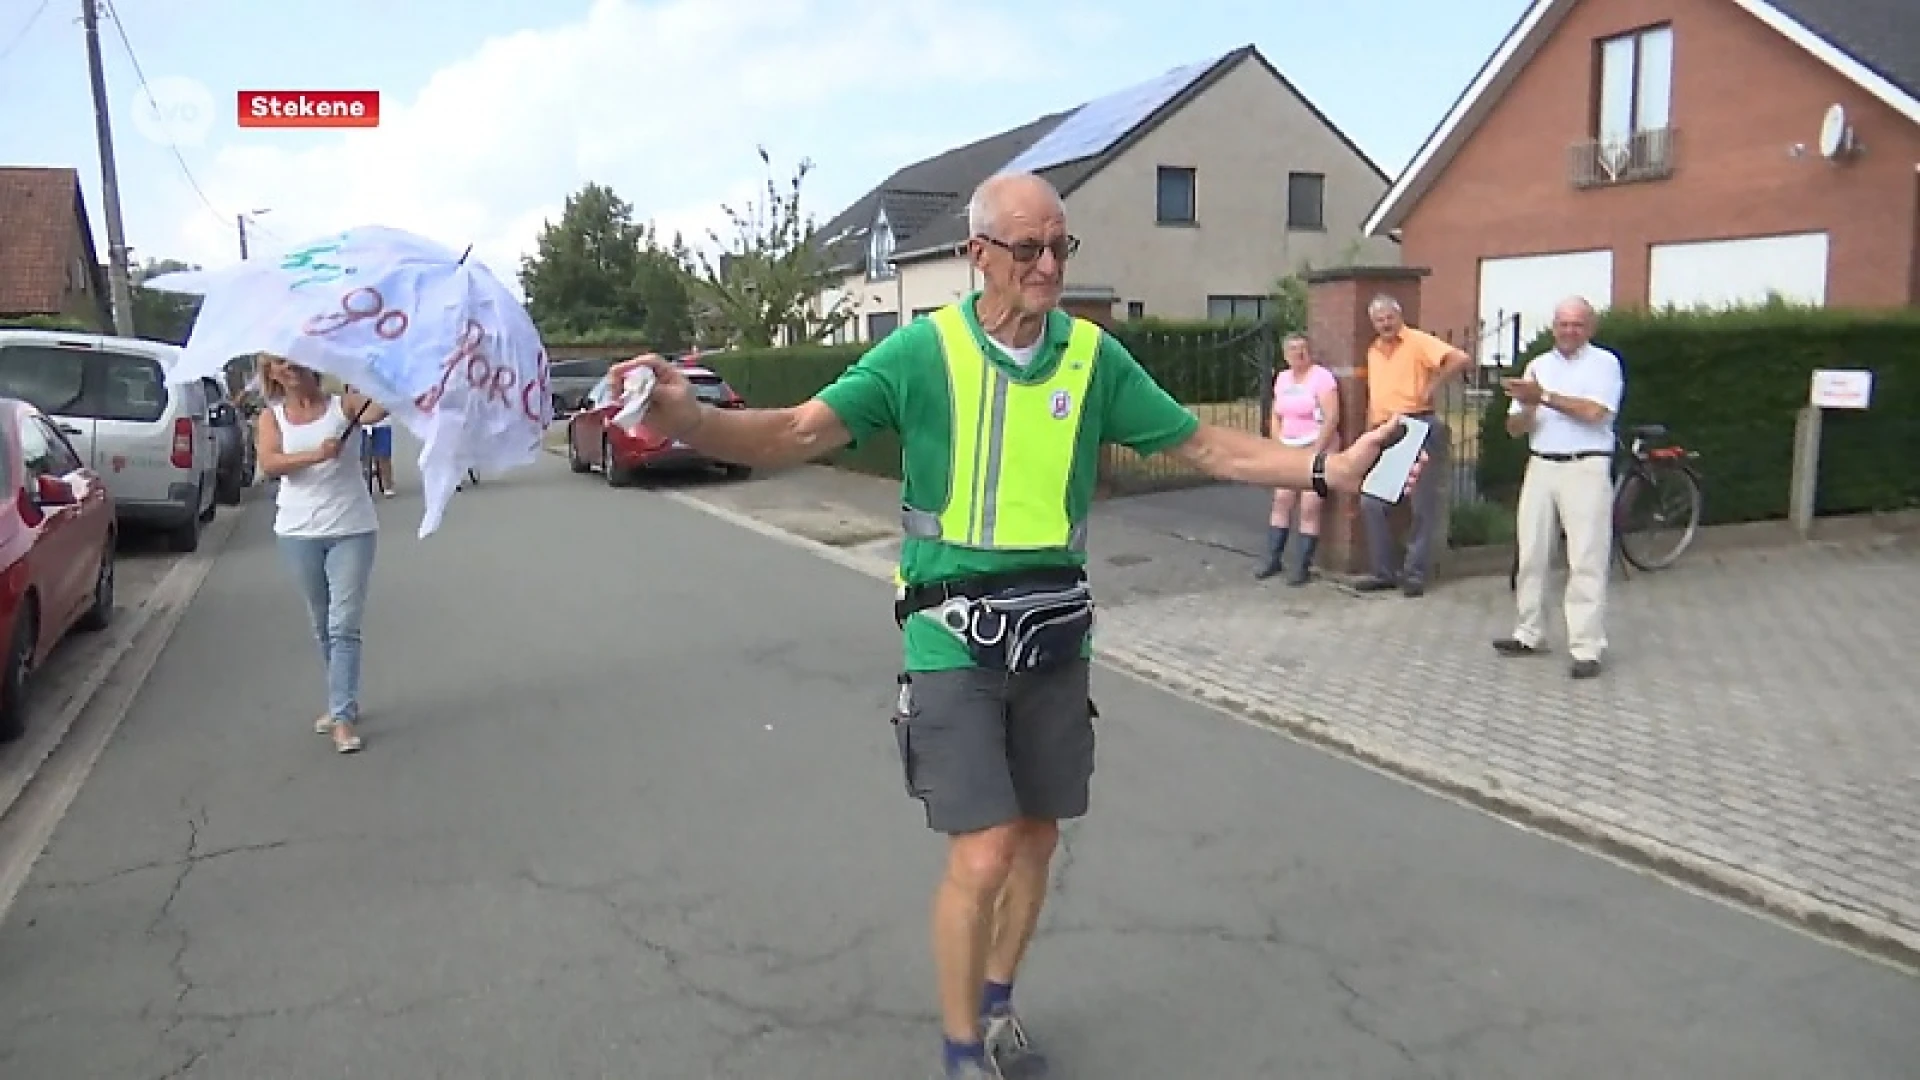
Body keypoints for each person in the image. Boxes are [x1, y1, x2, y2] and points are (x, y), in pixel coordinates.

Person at [610, 172, 1420, 1080]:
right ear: (977, 254)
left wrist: (1322, 472)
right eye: (1027, 248)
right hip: (948, 631)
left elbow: (1202, 444)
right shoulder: (922, 353)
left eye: (1059, 247)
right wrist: (689, 420)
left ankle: (996, 1005)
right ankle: (961, 1054)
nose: (1046, 265)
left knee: (1037, 836)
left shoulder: (1091, 356)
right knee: (987, 845)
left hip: (1057, 630)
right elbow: (795, 433)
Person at [254, 355, 385, 753]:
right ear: (272, 372)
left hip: (352, 529)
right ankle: (339, 697)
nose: (289, 367)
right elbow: (270, 462)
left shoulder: (344, 406)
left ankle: (342, 717)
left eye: (294, 358)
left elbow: (376, 409)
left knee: (344, 624)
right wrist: (317, 455)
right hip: (297, 532)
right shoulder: (271, 417)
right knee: (322, 622)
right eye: (279, 363)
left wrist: (375, 375)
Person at [1494, 296, 1623, 680]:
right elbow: (1514, 427)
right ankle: (1529, 632)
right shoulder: (1539, 366)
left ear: (1590, 328)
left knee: (1585, 558)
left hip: (1585, 464)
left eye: (1577, 324)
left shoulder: (1604, 363)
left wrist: (1544, 397)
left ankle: (1586, 647)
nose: (1569, 331)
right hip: (1542, 463)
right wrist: (1526, 409)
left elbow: (1596, 412)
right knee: (1531, 553)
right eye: (1563, 324)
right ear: (1553, 326)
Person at [1355, 295, 1473, 597]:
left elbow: (1459, 358)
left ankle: (1415, 574)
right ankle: (1384, 571)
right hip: (1386, 429)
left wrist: (1433, 385)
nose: (1385, 324)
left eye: (1389, 318)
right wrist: (1372, 428)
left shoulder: (1418, 341)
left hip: (1417, 424)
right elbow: (1377, 393)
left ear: (1399, 315)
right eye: (1379, 320)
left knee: (1421, 504)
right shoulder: (1373, 350)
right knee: (1372, 502)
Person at [1255, 332, 1340, 585]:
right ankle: (1273, 558)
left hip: (1316, 447)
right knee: (1282, 500)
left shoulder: (1322, 378)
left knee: (1310, 506)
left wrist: (1317, 450)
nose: (1298, 354)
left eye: (1302, 349)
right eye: (1292, 349)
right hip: (1289, 448)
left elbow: (1332, 417)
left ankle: (1302, 566)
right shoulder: (1282, 379)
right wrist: (1278, 444)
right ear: (1285, 354)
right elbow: (1276, 415)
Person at [363, 410, 396, 497]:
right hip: (361, 424)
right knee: (362, 457)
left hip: (382, 423)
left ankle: (388, 486)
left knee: (384, 455)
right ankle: (364, 484)